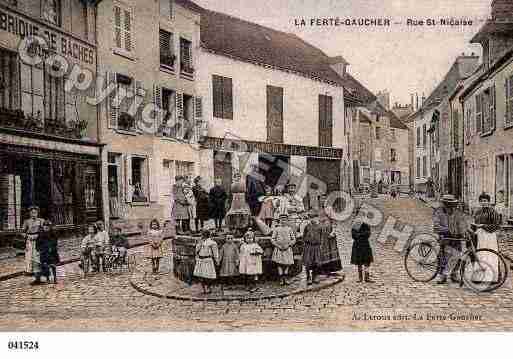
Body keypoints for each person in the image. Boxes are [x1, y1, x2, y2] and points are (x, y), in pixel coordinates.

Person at [432, 194, 468, 284]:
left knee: (457, 256)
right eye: (447, 203)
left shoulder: (457, 212)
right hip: (445, 237)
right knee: (444, 256)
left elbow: (461, 223)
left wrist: (465, 231)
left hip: (456, 237)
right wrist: (448, 230)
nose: (449, 206)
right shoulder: (438, 212)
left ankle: (454, 274)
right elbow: (436, 226)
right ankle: (442, 276)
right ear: (444, 203)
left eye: (451, 204)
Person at [472, 192, 502, 283]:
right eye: (481, 201)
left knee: (490, 254)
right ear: (479, 202)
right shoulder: (477, 211)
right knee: (480, 254)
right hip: (480, 236)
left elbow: (496, 225)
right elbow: (475, 223)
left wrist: (483, 226)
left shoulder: (493, 212)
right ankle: (479, 277)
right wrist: (473, 228)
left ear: (489, 202)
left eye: (485, 201)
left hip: (489, 236)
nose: (483, 203)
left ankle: (492, 277)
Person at [318, 196, 342, 275]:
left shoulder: (329, 209)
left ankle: (331, 268)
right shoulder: (317, 209)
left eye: (324, 199)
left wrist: (333, 231)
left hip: (329, 232)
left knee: (331, 249)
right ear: (319, 200)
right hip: (321, 233)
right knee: (321, 250)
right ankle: (322, 269)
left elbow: (334, 221)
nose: (323, 200)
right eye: (321, 199)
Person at [271, 214, 296, 285]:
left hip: (287, 249)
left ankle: (286, 277)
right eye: (281, 220)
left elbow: (293, 239)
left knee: (287, 264)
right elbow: (272, 239)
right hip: (279, 249)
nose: (283, 221)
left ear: (287, 221)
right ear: (279, 220)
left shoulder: (289, 229)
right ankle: (281, 278)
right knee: (279, 264)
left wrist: (289, 244)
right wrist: (277, 245)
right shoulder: (276, 229)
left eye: (284, 220)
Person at [22, 206, 44, 284]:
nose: (33, 214)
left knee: (38, 258)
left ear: (37, 213)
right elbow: (23, 232)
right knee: (30, 258)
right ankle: (33, 275)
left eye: (35, 212)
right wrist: (27, 236)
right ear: (29, 213)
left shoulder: (41, 221)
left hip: (39, 240)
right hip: (30, 241)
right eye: (32, 212)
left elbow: (45, 230)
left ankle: (39, 276)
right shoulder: (26, 222)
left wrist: (39, 235)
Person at [193, 229, 219, 294]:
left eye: (203, 235)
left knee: (208, 275)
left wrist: (217, 260)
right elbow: (196, 251)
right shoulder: (200, 242)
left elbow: (215, 253)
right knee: (200, 275)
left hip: (208, 260)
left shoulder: (212, 243)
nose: (202, 236)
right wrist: (197, 257)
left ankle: (208, 287)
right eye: (202, 235)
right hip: (201, 260)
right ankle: (203, 287)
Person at [351, 217, 374, 283]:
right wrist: (362, 235)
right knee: (359, 262)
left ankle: (367, 277)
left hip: (365, 245)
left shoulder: (366, 224)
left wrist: (359, 235)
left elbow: (368, 234)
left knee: (367, 262)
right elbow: (353, 235)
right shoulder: (355, 225)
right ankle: (360, 277)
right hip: (357, 245)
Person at [302, 211, 322, 285]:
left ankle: (315, 276)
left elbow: (321, 236)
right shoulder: (307, 227)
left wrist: (320, 244)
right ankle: (308, 277)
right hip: (308, 247)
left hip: (316, 247)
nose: (313, 219)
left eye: (315, 218)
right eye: (311, 218)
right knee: (308, 262)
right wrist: (307, 241)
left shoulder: (319, 227)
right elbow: (303, 237)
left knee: (316, 262)